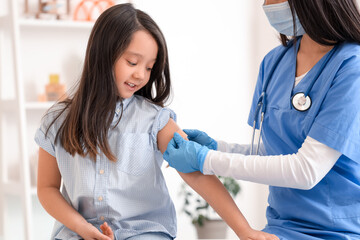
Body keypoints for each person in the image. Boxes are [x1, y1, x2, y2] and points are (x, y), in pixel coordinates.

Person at [35, 3, 279, 240]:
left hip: (144, 231)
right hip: (78, 232)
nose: (141, 74)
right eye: (132, 62)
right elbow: (47, 188)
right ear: (102, 54)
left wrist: (244, 231)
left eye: (149, 67)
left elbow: (195, 172)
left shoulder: (155, 120)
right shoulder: (57, 121)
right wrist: (84, 229)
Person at [163, 0, 360, 239]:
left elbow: (306, 170)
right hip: (281, 226)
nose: (267, 5)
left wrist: (206, 159)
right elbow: (273, 152)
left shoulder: (352, 66)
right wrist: (217, 147)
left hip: (337, 230)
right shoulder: (274, 62)